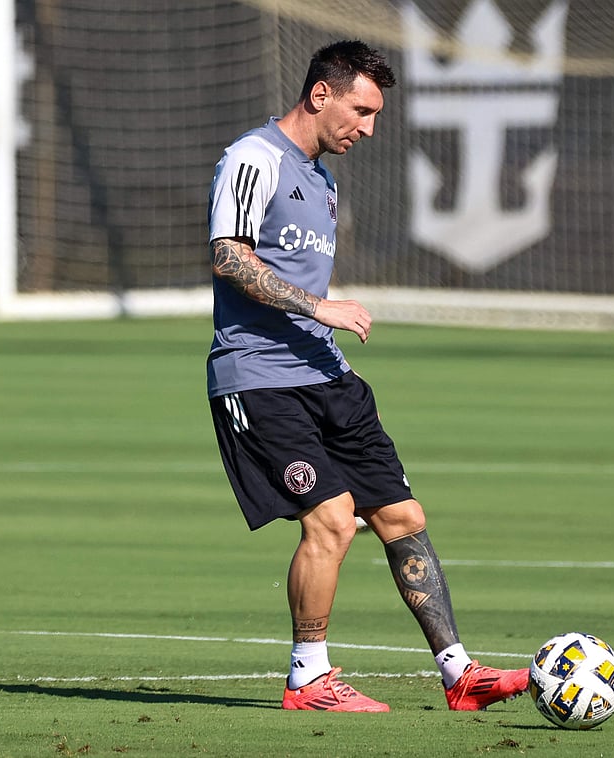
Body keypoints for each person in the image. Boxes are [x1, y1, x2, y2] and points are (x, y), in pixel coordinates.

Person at [205, 40, 528, 713]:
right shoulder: (253, 158)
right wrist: (318, 306)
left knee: (403, 516)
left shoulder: (323, 180)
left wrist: (321, 321)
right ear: (320, 93)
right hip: (259, 378)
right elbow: (228, 257)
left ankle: (459, 674)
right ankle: (308, 679)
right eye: (362, 110)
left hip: (330, 375)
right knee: (331, 519)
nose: (370, 128)